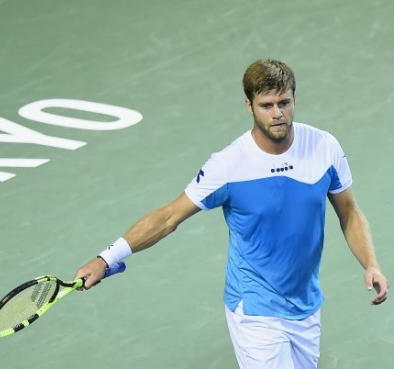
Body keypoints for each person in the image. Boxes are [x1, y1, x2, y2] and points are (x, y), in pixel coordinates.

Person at [74, 59, 389, 369]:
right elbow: (169, 217)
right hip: (254, 310)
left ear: (295, 98)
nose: (278, 113)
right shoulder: (228, 165)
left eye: (284, 102)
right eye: (267, 105)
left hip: (306, 303)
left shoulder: (324, 147)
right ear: (249, 106)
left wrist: (370, 263)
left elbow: (349, 211)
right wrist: (106, 258)